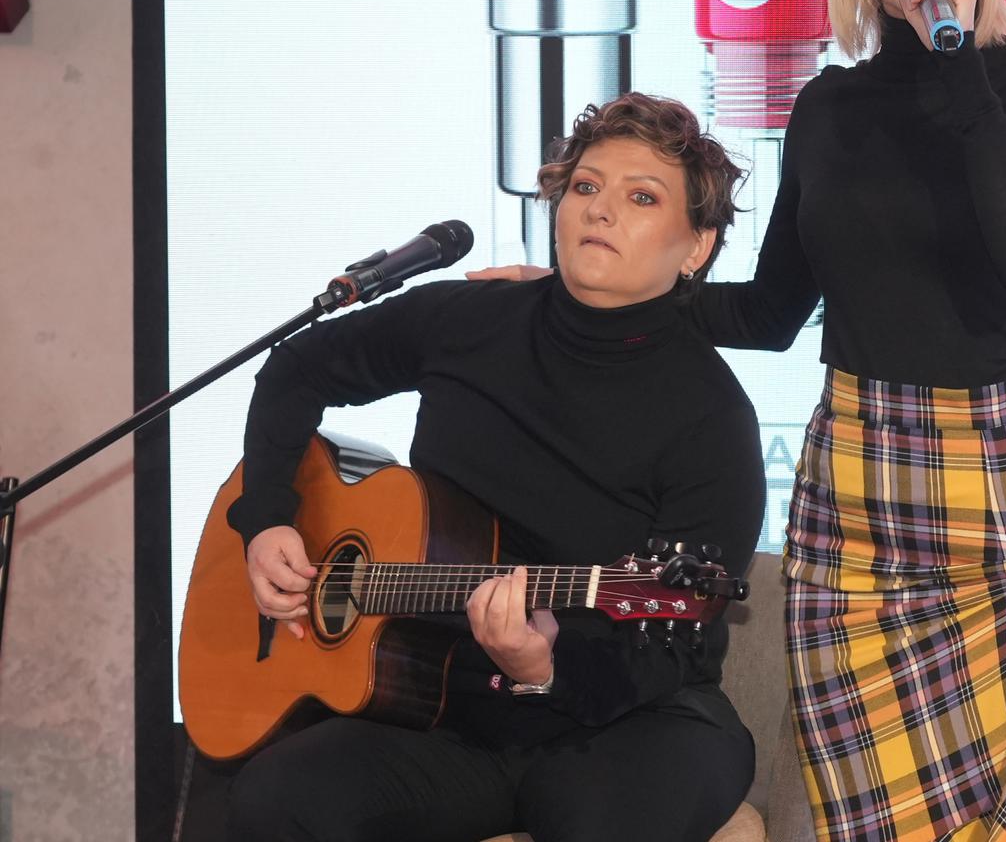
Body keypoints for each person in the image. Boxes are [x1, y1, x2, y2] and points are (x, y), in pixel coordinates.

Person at [476, 0, 1006, 842]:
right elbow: (771, 311)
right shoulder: (828, 109)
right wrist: (572, 297)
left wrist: (957, 60)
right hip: (859, 499)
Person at [225, 93, 766, 842]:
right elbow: (295, 371)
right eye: (586, 186)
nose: (600, 210)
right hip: (447, 707)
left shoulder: (712, 417)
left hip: (635, 720)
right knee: (275, 799)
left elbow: (667, 651)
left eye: (641, 197)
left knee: (592, 821)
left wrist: (543, 668)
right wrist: (266, 519)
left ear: (696, 248)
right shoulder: (469, 320)